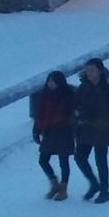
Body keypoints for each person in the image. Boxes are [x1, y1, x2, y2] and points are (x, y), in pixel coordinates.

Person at [74, 58, 109, 204]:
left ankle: (104, 190)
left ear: (99, 71)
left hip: (103, 129)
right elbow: (75, 105)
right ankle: (94, 183)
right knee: (79, 157)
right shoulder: (82, 88)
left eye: (92, 70)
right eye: (87, 70)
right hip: (86, 128)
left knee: (101, 160)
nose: (89, 73)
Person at [33, 71, 75, 201]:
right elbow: (39, 114)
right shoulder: (44, 96)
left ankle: (63, 188)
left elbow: (72, 113)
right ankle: (54, 183)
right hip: (49, 131)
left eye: (53, 81)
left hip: (64, 131)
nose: (50, 84)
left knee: (64, 161)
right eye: (49, 81)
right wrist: (36, 130)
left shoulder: (68, 95)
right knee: (43, 160)